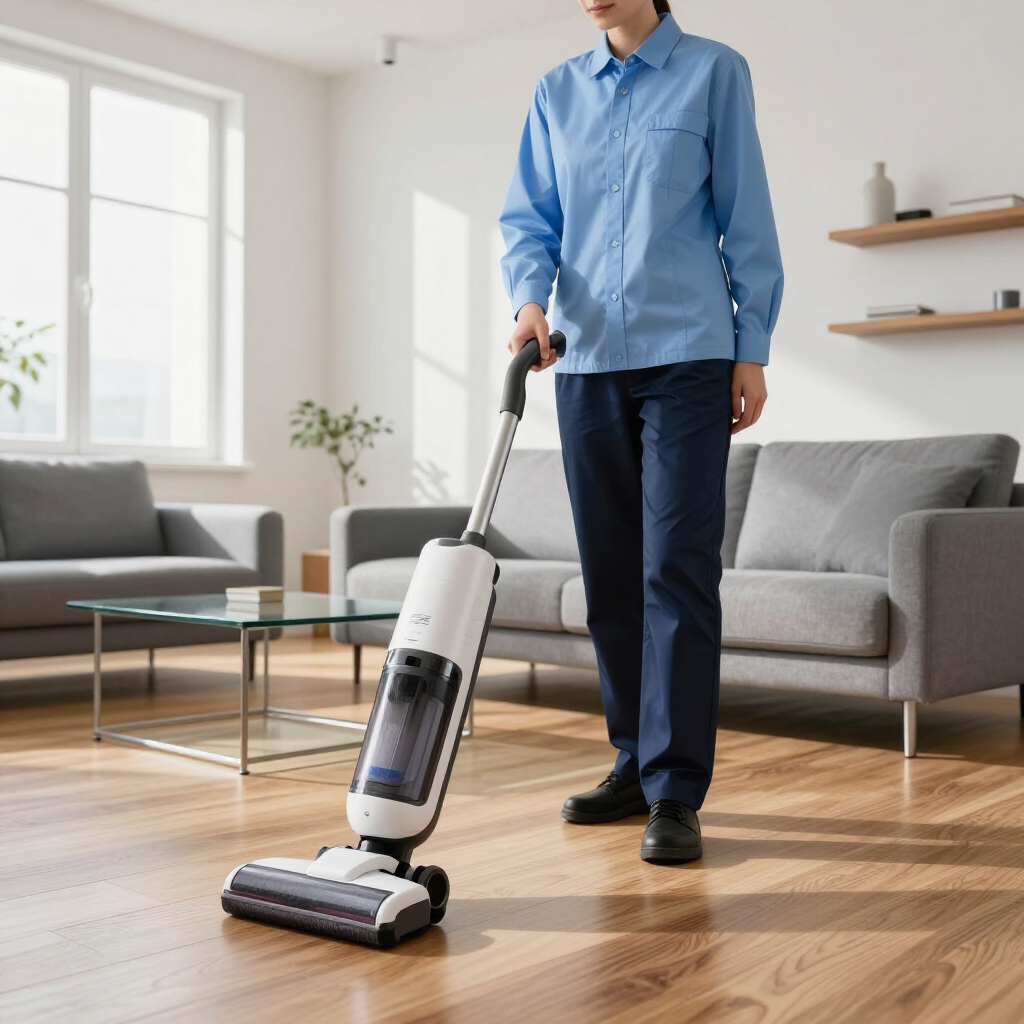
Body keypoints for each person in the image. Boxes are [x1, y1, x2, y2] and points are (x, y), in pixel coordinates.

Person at [499, 0, 784, 863]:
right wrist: (529, 304)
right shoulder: (556, 92)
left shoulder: (713, 72)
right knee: (612, 576)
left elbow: (747, 220)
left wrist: (752, 347)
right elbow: (530, 222)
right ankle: (632, 758)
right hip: (584, 363)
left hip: (690, 357)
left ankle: (676, 789)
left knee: (678, 568)